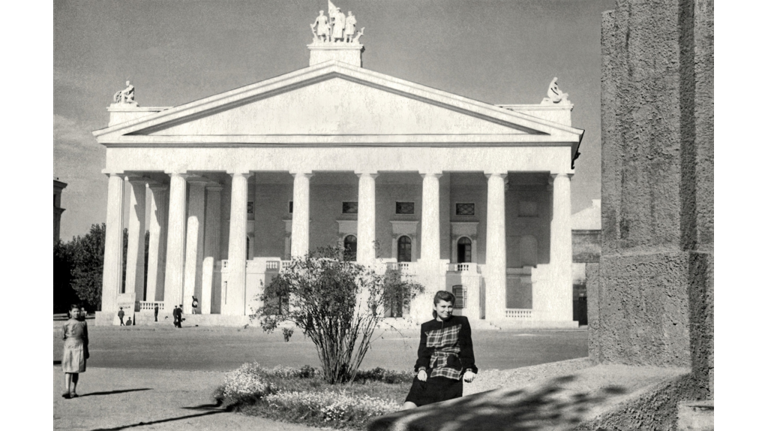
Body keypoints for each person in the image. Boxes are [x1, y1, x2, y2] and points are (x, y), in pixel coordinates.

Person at [402, 291, 477, 409]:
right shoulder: (426, 327)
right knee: (417, 387)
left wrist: (469, 369)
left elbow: (466, 347)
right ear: (435, 306)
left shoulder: (461, 322)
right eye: (443, 306)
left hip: (451, 367)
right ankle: (403, 419)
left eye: (450, 306)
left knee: (438, 387)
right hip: (431, 367)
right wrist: (421, 369)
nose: (447, 310)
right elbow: (423, 352)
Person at [61, 304, 89, 399]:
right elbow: (63, 336)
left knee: (76, 369)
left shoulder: (83, 323)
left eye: (78, 311)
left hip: (80, 346)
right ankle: (67, 390)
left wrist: (87, 350)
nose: (76, 313)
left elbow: (86, 337)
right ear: (70, 312)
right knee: (68, 369)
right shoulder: (66, 324)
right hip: (69, 346)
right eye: (74, 311)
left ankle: (73, 390)